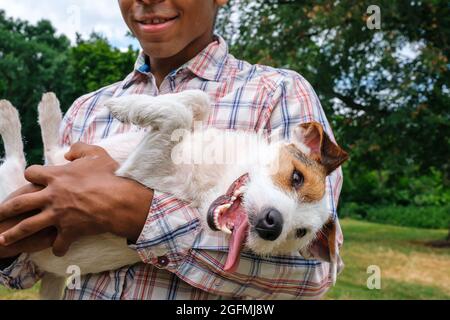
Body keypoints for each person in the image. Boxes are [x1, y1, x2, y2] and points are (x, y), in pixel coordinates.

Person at [0, 0, 344, 299]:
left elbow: (313, 277)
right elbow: (26, 272)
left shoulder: (278, 94)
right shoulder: (87, 108)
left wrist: (138, 215)